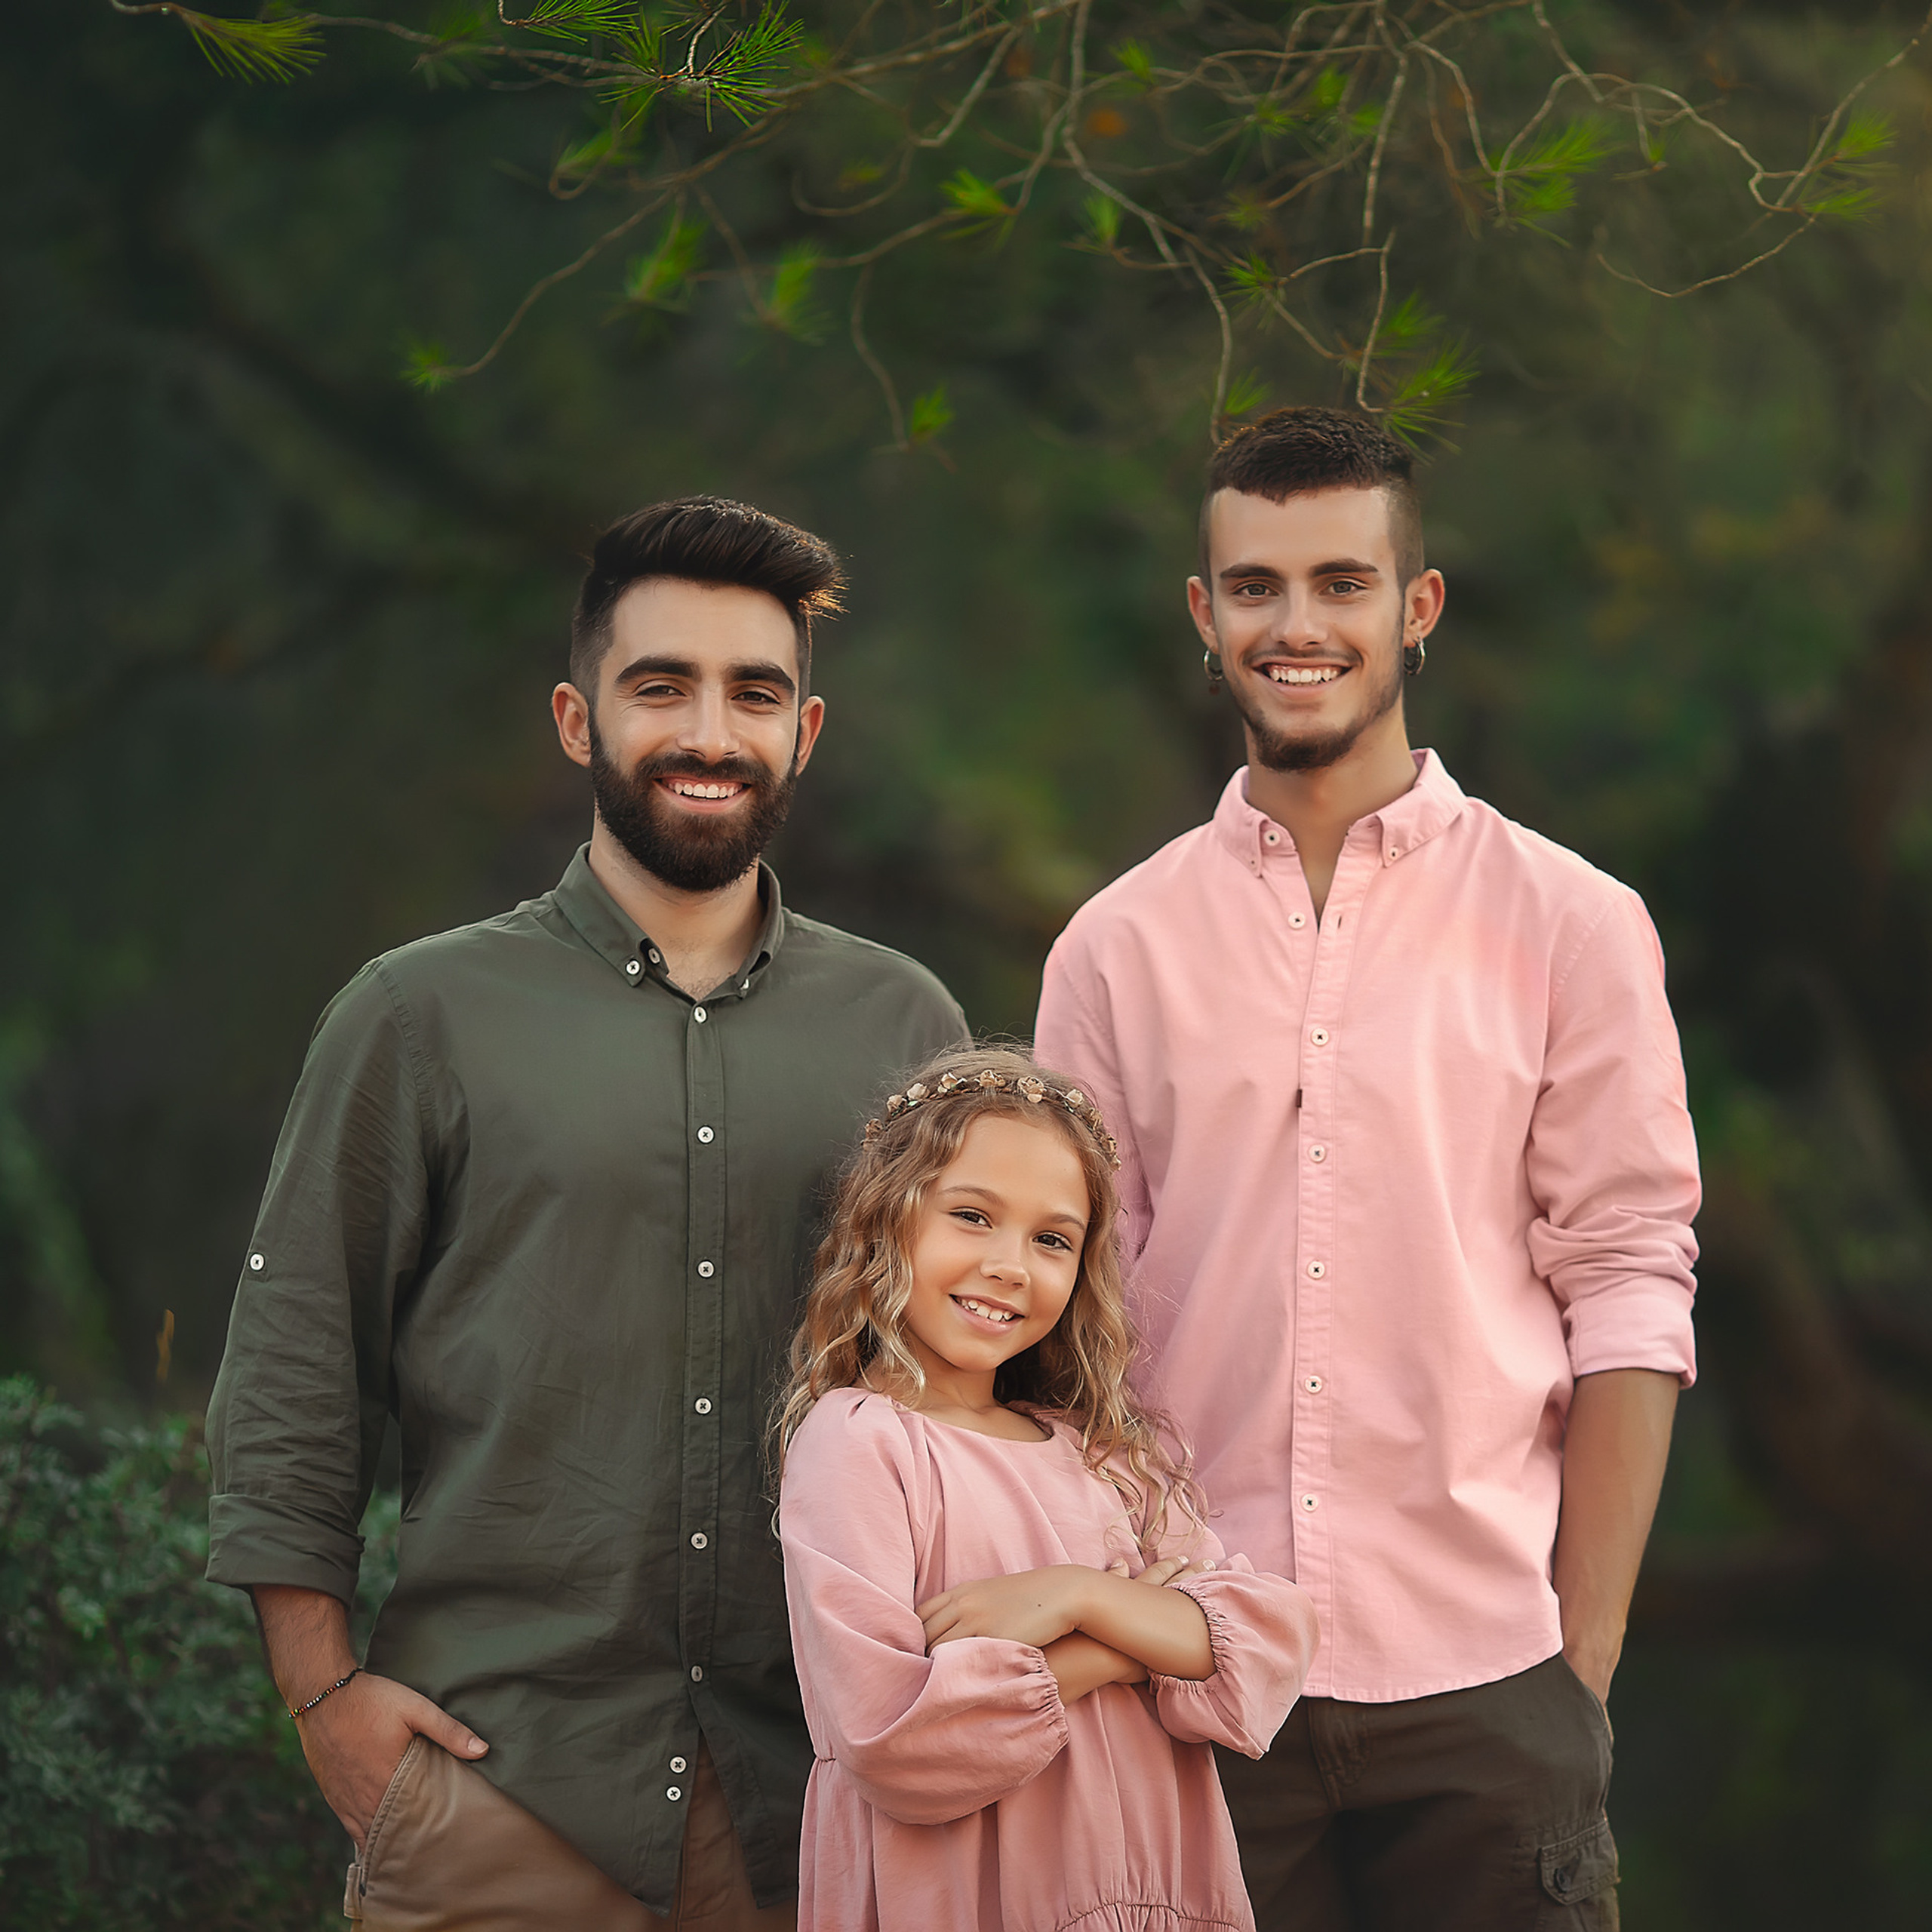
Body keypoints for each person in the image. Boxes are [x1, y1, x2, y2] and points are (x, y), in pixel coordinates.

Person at [204, 496, 968, 1930]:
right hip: (497, 1793)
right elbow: (299, 1365)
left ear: (804, 733)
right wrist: (325, 1701)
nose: (708, 730)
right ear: (577, 719)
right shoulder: (415, 1015)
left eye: (755, 691)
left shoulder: (905, 1024)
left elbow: (968, 1384)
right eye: (659, 685)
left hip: (812, 1805)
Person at [1034, 407, 1700, 1931]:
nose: (1296, 625)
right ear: (1204, 618)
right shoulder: (1111, 950)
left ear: (1415, 606)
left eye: (1339, 581)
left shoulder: (1571, 924)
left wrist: (1576, 1661)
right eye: (1254, 586)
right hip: (1195, 1690)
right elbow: (1071, 1334)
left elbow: (1624, 1284)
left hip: (1484, 1687)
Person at [773, 1043, 1321, 1932]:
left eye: (1052, 1239)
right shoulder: (858, 1442)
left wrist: (1070, 1596)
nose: (1010, 1265)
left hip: (1155, 1896)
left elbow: (1267, 1639)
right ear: (887, 1221)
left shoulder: (1106, 1452)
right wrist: (1132, 1636)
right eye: (972, 1217)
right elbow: (894, 1741)